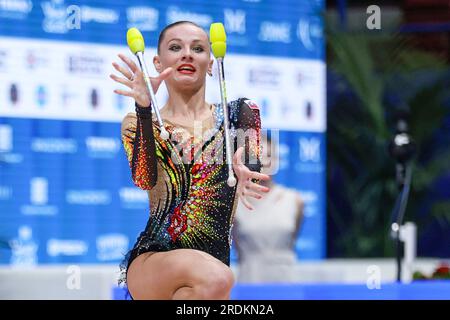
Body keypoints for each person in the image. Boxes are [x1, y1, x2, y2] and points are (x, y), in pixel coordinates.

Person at [110, 21, 270, 300]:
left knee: (211, 283)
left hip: (211, 269)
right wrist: (145, 109)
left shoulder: (239, 115)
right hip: (156, 260)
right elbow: (143, 178)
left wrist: (248, 167)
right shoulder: (138, 122)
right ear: (158, 63)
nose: (187, 54)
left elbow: (251, 161)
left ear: (210, 63)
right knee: (218, 277)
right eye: (176, 47)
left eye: (197, 48)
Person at [232, 133, 304, 283]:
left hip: (287, 283)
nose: (264, 161)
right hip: (249, 282)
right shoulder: (236, 202)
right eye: (258, 156)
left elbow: (293, 238)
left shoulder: (294, 200)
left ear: (277, 159)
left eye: (270, 156)